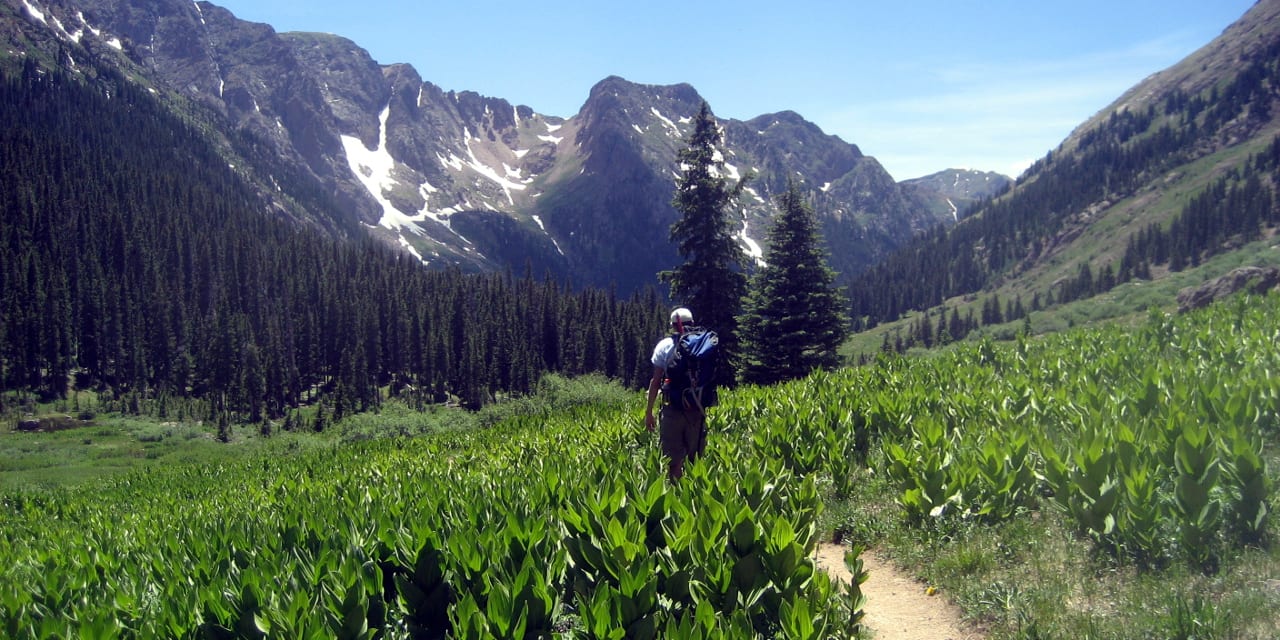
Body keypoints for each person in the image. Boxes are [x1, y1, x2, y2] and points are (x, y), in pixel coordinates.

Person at [645, 307, 706, 481]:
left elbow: (655, 382)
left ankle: (676, 493)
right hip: (697, 407)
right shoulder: (703, 344)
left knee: (674, 459)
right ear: (692, 323)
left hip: (672, 408)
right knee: (695, 458)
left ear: (672, 326)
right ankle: (696, 497)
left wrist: (649, 413)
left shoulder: (664, 346)